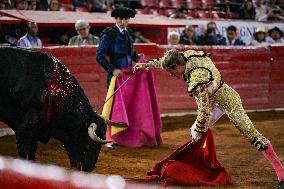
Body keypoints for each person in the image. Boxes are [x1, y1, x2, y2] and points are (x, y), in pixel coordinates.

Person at [134, 49, 284, 189]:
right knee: (194, 133)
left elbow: (204, 109)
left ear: (179, 66)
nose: (172, 75)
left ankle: (281, 173)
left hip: (228, 101)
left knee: (250, 132)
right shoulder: (186, 56)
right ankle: (201, 168)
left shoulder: (197, 78)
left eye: (172, 71)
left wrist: (200, 129)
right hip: (211, 100)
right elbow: (164, 61)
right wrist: (144, 65)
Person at [96, 6, 141, 149]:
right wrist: (112, 69)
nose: (123, 21)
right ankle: (108, 139)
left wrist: (141, 60)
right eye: (121, 19)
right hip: (115, 76)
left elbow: (131, 53)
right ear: (116, 19)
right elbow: (100, 56)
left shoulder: (129, 33)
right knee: (113, 106)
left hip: (127, 75)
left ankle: (121, 137)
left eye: (126, 19)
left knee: (125, 106)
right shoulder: (108, 33)